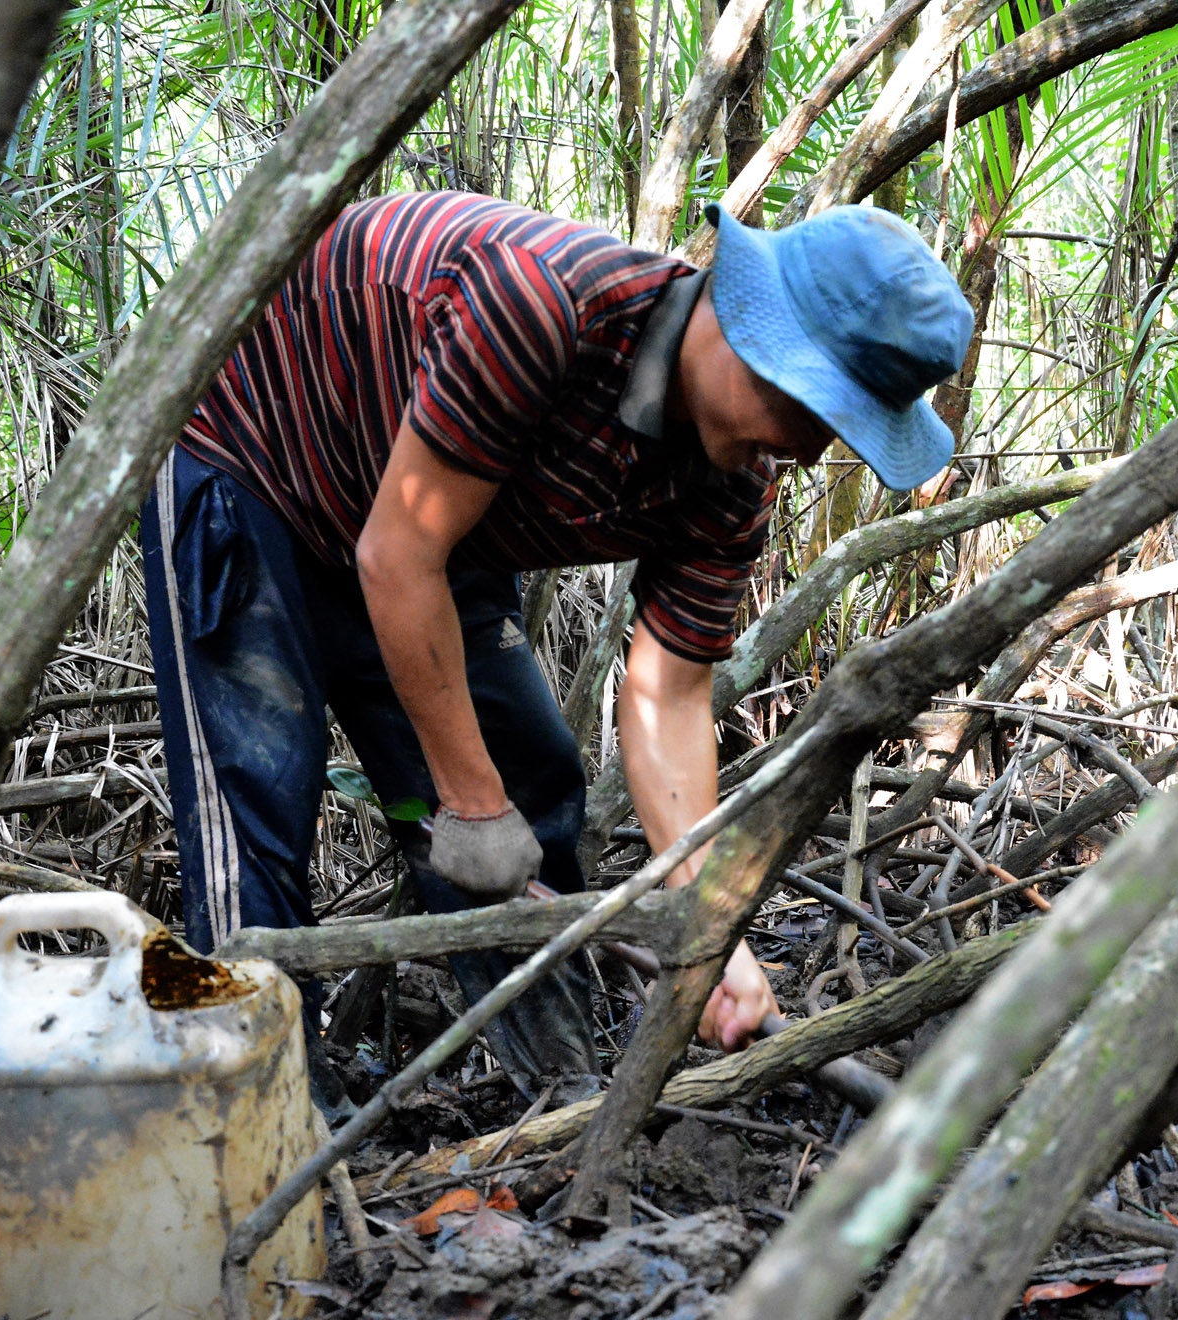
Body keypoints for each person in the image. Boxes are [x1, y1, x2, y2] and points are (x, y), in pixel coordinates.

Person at [140, 191, 972, 1109]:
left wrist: (705, 930)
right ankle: (257, 1126)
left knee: (531, 792)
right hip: (257, 463)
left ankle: (563, 1097)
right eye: (810, 406)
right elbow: (396, 552)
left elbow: (668, 697)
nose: (807, 449)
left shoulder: (732, 488)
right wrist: (465, 801)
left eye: (837, 430)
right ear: (747, 319)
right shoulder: (541, 308)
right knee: (253, 811)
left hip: (427, 528)